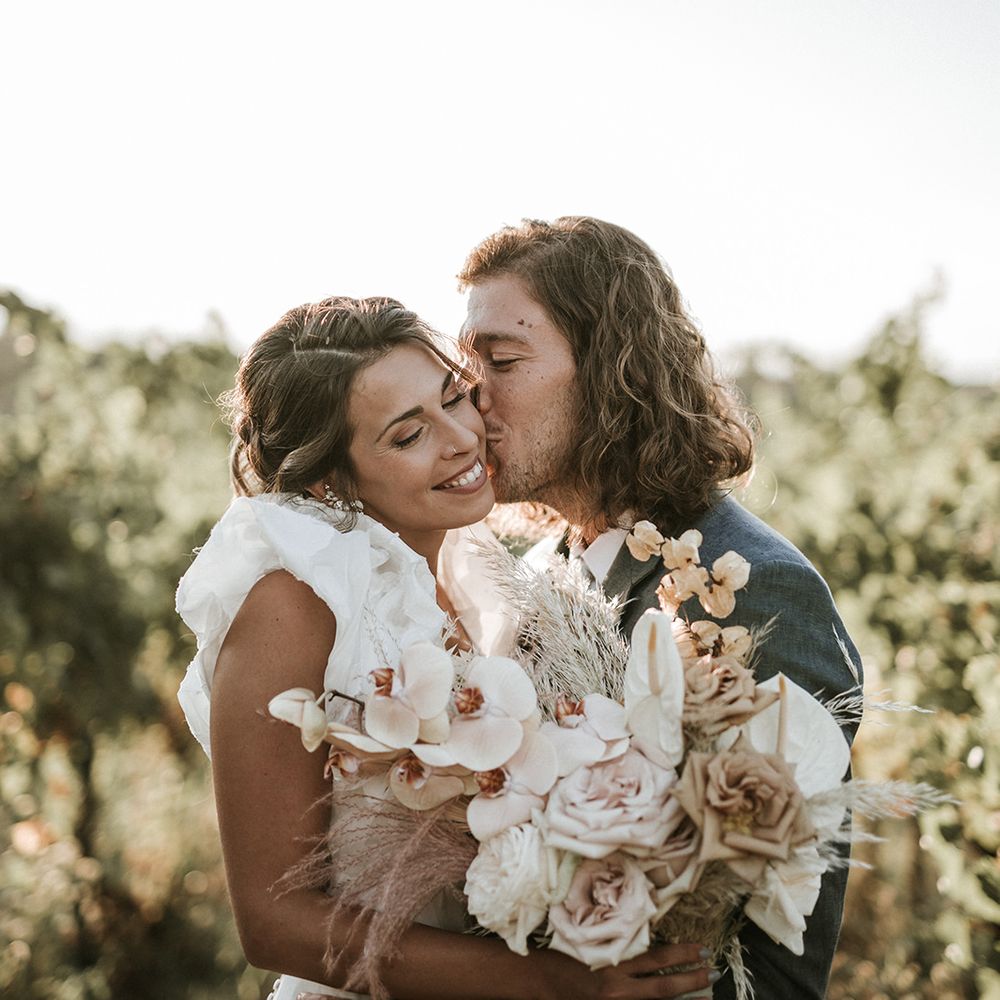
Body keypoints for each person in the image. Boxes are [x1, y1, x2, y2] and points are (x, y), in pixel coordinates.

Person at [176, 295, 715, 1000]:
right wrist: (554, 983)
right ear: (328, 478)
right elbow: (274, 923)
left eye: (453, 399)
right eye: (407, 436)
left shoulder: (478, 574)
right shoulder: (292, 604)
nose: (460, 438)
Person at [458, 217, 863, 1000]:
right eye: (465, 364)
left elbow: (777, 955)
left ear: (614, 369)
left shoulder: (755, 591)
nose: (472, 395)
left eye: (502, 360)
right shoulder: (536, 572)